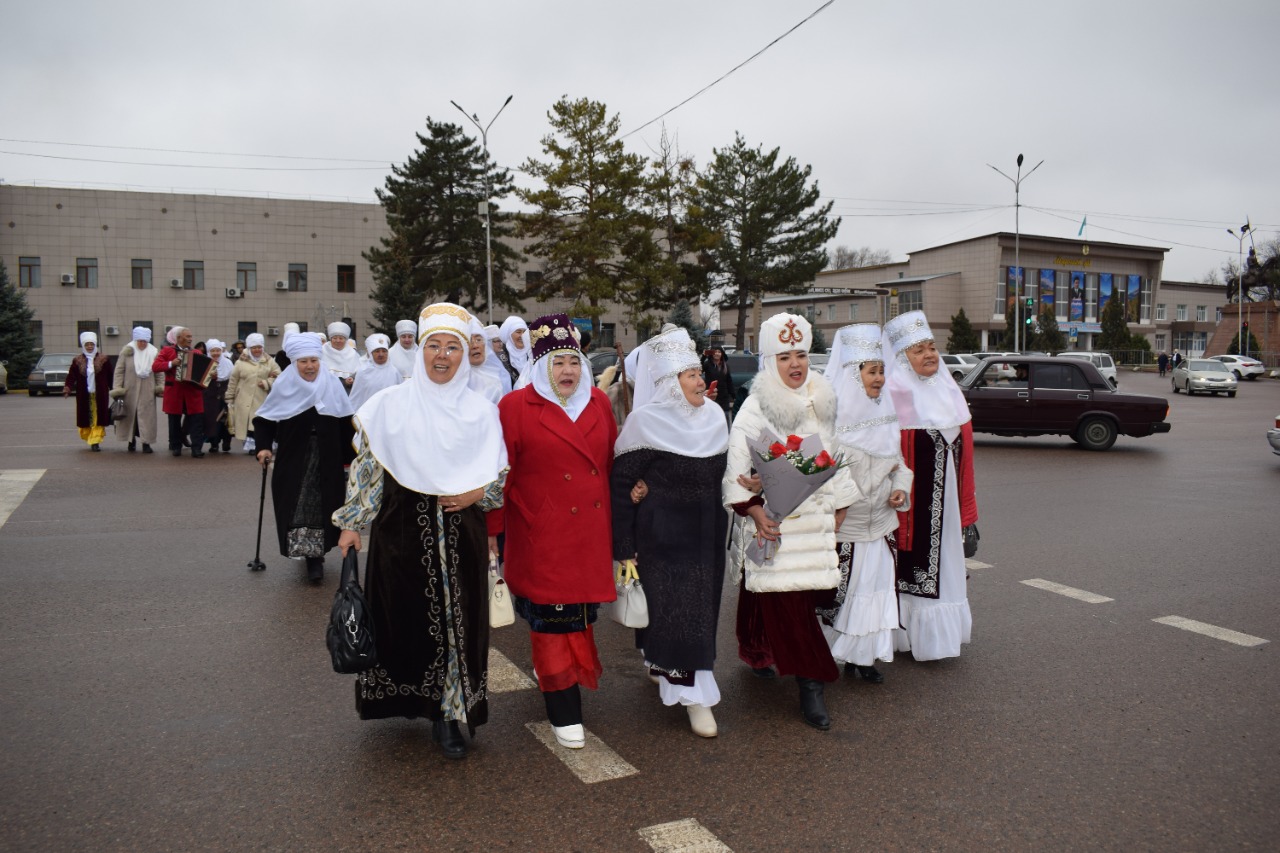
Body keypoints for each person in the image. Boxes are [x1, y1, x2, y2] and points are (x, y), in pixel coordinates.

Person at [334, 303, 508, 760]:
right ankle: (418, 699)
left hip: (461, 532)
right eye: (434, 346)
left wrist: (476, 494)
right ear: (419, 352)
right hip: (401, 533)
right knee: (406, 620)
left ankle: (451, 714)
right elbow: (369, 469)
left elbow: (499, 474)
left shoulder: (480, 411)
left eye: (453, 346)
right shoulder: (389, 406)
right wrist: (352, 524)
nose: (443, 355)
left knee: (461, 623)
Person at [722, 312, 856, 731]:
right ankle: (811, 684)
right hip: (775, 527)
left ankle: (757, 648)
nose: (795, 364)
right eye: (784, 356)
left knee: (790, 598)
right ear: (768, 360)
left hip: (816, 524)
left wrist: (842, 506)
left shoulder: (823, 396)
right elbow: (737, 473)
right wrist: (758, 513)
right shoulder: (755, 409)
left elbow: (836, 456)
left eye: (800, 354)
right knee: (790, 605)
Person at [492, 312, 617, 750]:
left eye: (574, 361)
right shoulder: (515, 407)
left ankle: (568, 682)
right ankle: (563, 706)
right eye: (557, 362)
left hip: (588, 531)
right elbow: (500, 473)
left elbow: (609, 464)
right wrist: (492, 533)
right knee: (552, 622)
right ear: (540, 367)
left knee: (576, 619)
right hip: (542, 533)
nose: (568, 371)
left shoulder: (598, 403)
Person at [610, 327, 729, 738]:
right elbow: (622, 486)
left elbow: (724, 475)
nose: (701, 381)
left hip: (708, 534)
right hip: (662, 539)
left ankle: (661, 664)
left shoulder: (714, 417)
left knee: (699, 613)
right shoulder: (646, 422)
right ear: (668, 383)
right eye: (691, 375)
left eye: (699, 373)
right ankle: (695, 696)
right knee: (684, 616)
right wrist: (624, 548)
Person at [883, 310, 977, 661]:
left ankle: (938, 636)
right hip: (910, 507)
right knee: (909, 569)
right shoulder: (892, 394)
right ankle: (907, 635)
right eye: (918, 350)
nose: (929, 355)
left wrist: (967, 511)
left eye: (932, 347)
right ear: (901, 360)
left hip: (947, 508)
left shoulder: (948, 391)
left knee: (946, 565)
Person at [821, 324, 912, 683]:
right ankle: (829, 656)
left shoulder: (886, 417)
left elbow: (900, 466)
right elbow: (824, 476)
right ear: (852, 375)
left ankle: (864, 658)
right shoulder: (833, 423)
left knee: (875, 593)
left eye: (881, 370)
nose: (879, 378)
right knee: (844, 596)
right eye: (872, 371)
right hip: (850, 530)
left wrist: (900, 489)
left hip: (882, 527)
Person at [253, 333, 356, 583]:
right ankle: (307, 553)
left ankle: (316, 555)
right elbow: (264, 419)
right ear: (294, 362)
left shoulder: (331, 384)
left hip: (326, 460)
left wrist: (353, 455)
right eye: (303, 361)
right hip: (294, 461)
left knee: (323, 506)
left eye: (313, 360)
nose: (309, 366)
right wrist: (264, 447)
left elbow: (346, 422)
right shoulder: (284, 385)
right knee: (298, 504)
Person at [153, 326, 206, 457]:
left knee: (196, 422)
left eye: (191, 336)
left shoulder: (197, 353)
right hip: (175, 393)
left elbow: (205, 373)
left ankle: (196, 449)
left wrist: (211, 374)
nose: (190, 339)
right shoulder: (167, 351)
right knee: (174, 421)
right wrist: (171, 363)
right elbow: (155, 367)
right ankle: (176, 446)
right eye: (188, 337)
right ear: (178, 338)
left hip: (192, 393)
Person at [225, 333, 280, 454]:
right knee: (247, 422)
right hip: (243, 397)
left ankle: (259, 445)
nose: (257, 350)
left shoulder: (269, 361)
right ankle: (251, 446)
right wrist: (229, 397)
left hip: (262, 397)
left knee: (257, 422)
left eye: (259, 347)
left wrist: (267, 383)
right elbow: (233, 380)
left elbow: (278, 376)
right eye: (254, 348)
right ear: (249, 348)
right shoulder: (241, 362)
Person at [110, 327, 162, 453]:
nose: (142, 344)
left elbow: (159, 372)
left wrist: (160, 386)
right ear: (136, 340)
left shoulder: (153, 352)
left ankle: (146, 443)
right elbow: (119, 371)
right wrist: (117, 388)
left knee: (147, 418)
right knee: (130, 416)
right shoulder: (127, 351)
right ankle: (130, 440)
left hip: (147, 390)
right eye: (140, 341)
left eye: (145, 341)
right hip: (129, 390)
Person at [63, 331, 112, 452]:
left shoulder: (104, 359)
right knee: (87, 417)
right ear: (83, 346)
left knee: (97, 416)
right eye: (87, 344)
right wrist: (67, 388)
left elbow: (110, 376)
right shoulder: (77, 360)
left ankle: (95, 441)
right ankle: (89, 436)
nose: (90, 347)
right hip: (84, 395)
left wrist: (114, 390)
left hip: (100, 394)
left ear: (95, 345)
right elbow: (71, 376)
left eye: (91, 344)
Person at [346, 333, 401, 411]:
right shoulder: (363, 371)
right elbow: (356, 397)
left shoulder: (395, 372)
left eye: (384, 351)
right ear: (371, 354)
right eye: (377, 351)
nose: (381, 354)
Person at [201, 339, 234, 454]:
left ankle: (226, 442)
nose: (216, 353)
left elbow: (233, 379)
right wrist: (210, 377)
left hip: (225, 393)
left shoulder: (228, 363)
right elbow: (201, 381)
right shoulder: (205, 363)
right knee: (212, 420)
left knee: (226, 420)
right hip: (210, 395)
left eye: (218, 350)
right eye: (213, 351)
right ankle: (214, 444)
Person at [321, 322, 362, 391]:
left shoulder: (352, 353)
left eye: (341, 338)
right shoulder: (322, 351)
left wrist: (351, 379)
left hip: (346, 391)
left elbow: (358, 372)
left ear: (345, 340)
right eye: (335, 338)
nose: (338, 341)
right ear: (330, 339)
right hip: (325, 389)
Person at [701, 345, 736, 424]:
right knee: (712, 418)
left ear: (722, 354)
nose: (717, 354)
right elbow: (699, 370)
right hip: (712, 396)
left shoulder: (725, 366)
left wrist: (733, 395)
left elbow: (729, 381)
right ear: (712, 353)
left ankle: (727, 435)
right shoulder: (707, 364)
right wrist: (703, 357)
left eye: (719, 352)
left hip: (724, 396)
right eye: (715, 351)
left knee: (725, 417)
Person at [498, 315, 530, 386]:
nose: (522, 335)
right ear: (509, 335)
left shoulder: (532, 355)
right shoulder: (500, 358)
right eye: (518, 332)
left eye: (524, 332)